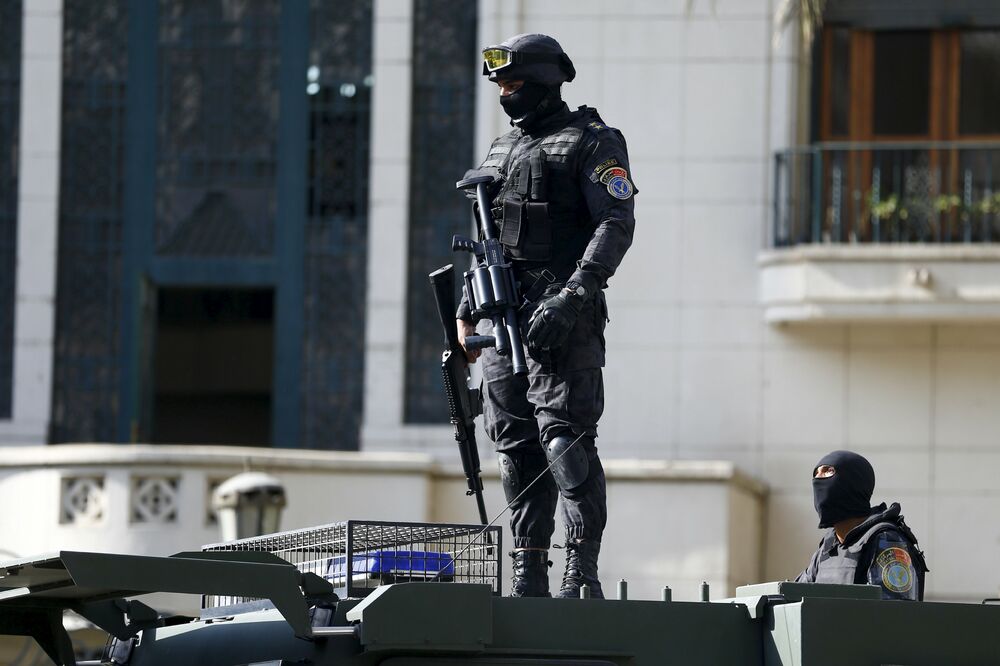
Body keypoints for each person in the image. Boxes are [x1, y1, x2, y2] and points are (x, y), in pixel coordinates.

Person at [455, 33, 636, 598]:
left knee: (565, 445)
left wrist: (574, 295)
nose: (504, 94)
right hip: (503, 321)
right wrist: (466, 312)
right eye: (500, 86)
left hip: (563, 321)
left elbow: (616, 222)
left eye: (513, 83)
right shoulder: (500, 150)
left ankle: (580, 572)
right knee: (516, 452)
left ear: (543, 81)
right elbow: (487, 240)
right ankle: (528, 572)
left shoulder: (592, 140)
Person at [796, 450, 929, 600]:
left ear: (853, 481)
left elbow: (895, 610)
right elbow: (793, 594)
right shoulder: (828, 546)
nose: (818, 478)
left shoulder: (886, 541)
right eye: (816, 473)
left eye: (828, 471)